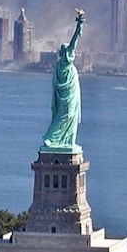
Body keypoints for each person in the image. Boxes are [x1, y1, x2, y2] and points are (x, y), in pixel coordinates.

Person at [41, 9, 85, 151]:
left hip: (65, 97)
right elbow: (74, 42)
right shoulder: (65, 63)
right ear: (66, 53)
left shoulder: (60, 65)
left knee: (65, 118)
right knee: (65, 117)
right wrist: (79, 24)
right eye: (70, 52)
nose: (73, 53)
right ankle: (50, 138)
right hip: (68, 98)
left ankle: (66, 141)